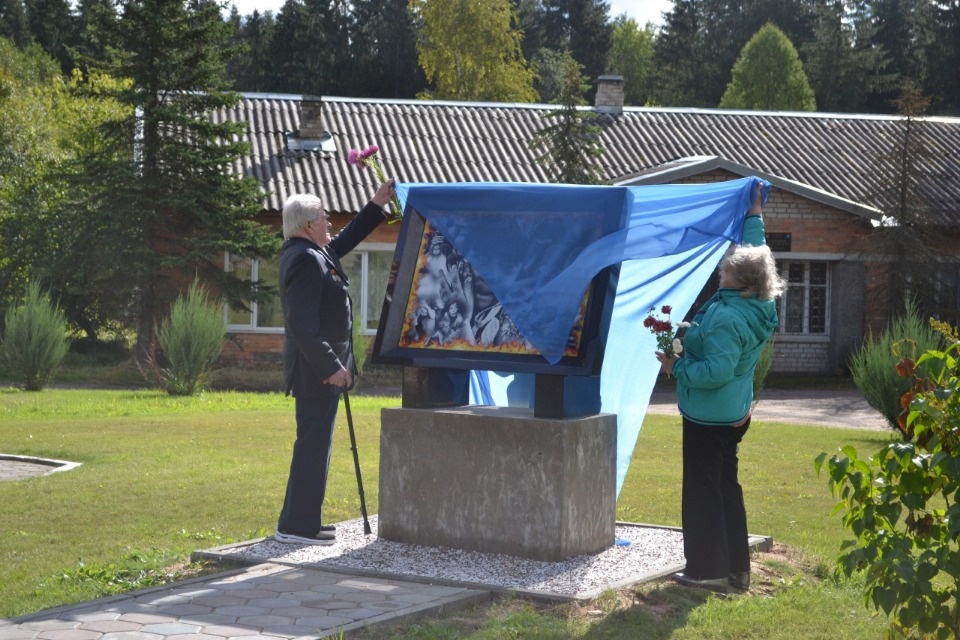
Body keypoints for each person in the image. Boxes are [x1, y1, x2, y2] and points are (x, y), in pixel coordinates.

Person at [655, 181, 783, 592]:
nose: (721, 268)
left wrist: (676, 367)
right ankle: (736, 570)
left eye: (727, 268)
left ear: (741, 281)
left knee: (702, 492)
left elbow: (715, 372)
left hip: (709, 416)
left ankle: (707, 571)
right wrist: (754, 212)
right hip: (731, 413)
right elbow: (757, 252)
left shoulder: (729, 318)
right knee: (726, 488)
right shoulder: (758, 301)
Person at [275, 178, 396, 546]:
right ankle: (295, 527)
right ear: (308, 224)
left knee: (317, 444)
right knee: (312, 444)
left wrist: (375, 203)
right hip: (317, 372)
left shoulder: (316, 252)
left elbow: (347, 239)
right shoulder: (302, 259)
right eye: (325, 217)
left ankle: (304, 521)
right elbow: (302, 325)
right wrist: (332, 367)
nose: (330, 223)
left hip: (323, 369)